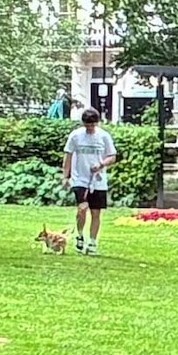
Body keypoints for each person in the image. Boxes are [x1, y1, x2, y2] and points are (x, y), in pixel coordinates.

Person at [61, 91, 120, 252]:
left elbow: (112, 156)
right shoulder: (75, 136)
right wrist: (65, 176)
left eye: (92, 126)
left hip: (98, 180)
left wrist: (101, 165)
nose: (89, 129)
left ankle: (92, 242)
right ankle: (80, 235)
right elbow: (68, 156)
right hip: (80, 178)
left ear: (97, 123)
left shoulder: (104, 136)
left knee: (96, 212)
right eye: (87, 126)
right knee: (82, 208)